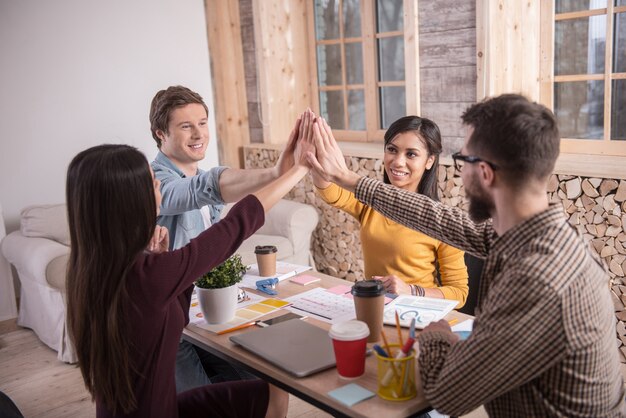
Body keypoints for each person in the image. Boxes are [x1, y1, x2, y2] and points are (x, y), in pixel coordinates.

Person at [306, 94, 626, 417]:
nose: (459, 172)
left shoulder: (538, 279)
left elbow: (448, 394)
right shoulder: (536, 234)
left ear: (485, 173)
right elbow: (438, 219)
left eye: (463, 161)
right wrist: (346, 177)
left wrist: (438, 336)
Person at [66, 143, 310, 417]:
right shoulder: (145, 275)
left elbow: (172, 320)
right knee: (275, 389)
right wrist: (298, 169)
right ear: (130, 201)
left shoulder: (89, 272)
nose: (159, 186)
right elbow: (232, 227)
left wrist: (163, 262)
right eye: (153, 183)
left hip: (155, 409)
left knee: (266, 390)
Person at [149, 85, 306, 391]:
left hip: (210, 315)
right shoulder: (153, 184)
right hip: (175, 326)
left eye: (202, 123)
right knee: (200, 402)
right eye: (185, 126)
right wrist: (278, 172)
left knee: (261, 383)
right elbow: (202, 189)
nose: (198, 134)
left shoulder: (201, 175)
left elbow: (213, 186)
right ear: (160, 134)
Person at [311, 114, 468, 305]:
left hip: (418, 312)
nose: (398, 162)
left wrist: (411, 291)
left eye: (411, 154)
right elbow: (330, 191)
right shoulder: (372, 202)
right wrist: (315, 150)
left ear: (429, 161)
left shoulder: (440, 221)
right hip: (374, 305)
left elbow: (459, 294)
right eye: (392, 150)